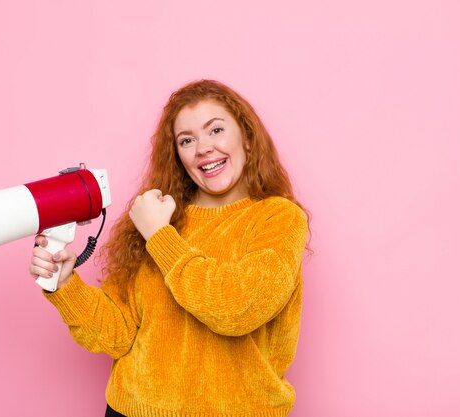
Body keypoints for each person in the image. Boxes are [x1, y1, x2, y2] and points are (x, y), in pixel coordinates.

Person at [29, 79, 311, 417]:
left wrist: (160, 236)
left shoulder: (279, 218)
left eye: (216, 130)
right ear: (178, 156)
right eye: (187, 140)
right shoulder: (157, 217)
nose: (203, 148)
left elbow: (236, 308)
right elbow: (118, 336)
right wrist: (65, 286)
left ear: (247, 139)